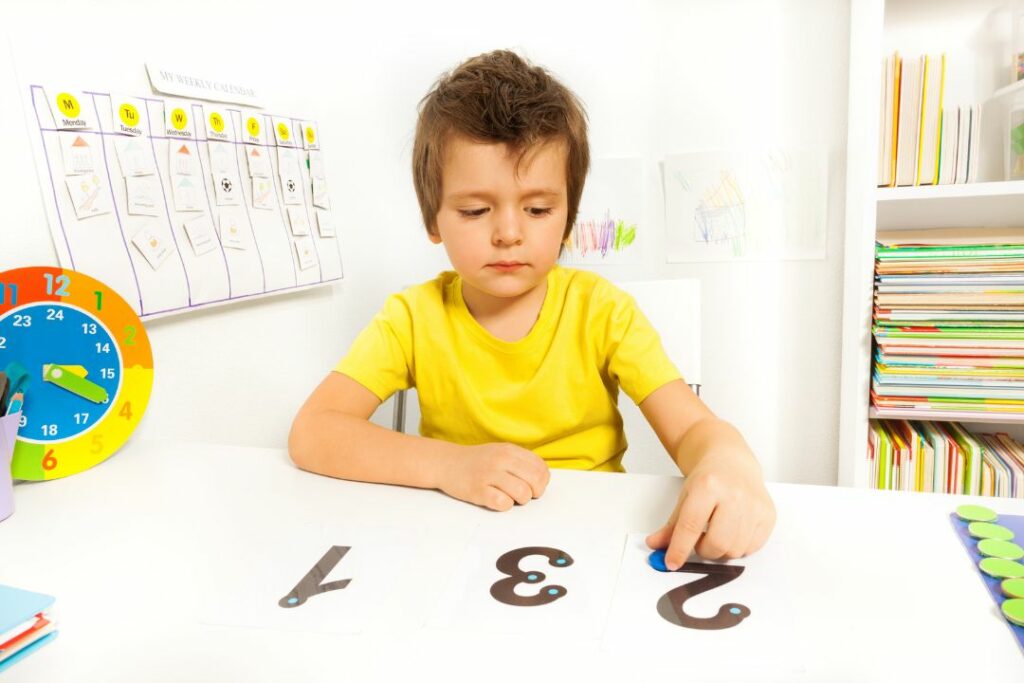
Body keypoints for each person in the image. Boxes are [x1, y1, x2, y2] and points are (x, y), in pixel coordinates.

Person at [289, 50, 775, 569]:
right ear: (433, 218)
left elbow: (691, 430)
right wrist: (449, 466)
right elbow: (314, 431)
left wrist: (730, 465)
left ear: (567, 219)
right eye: (475, 210)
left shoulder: (602, 311)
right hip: (454, 540)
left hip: (589, 543)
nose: (508, 233)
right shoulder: (412, 316)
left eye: (539, 209)